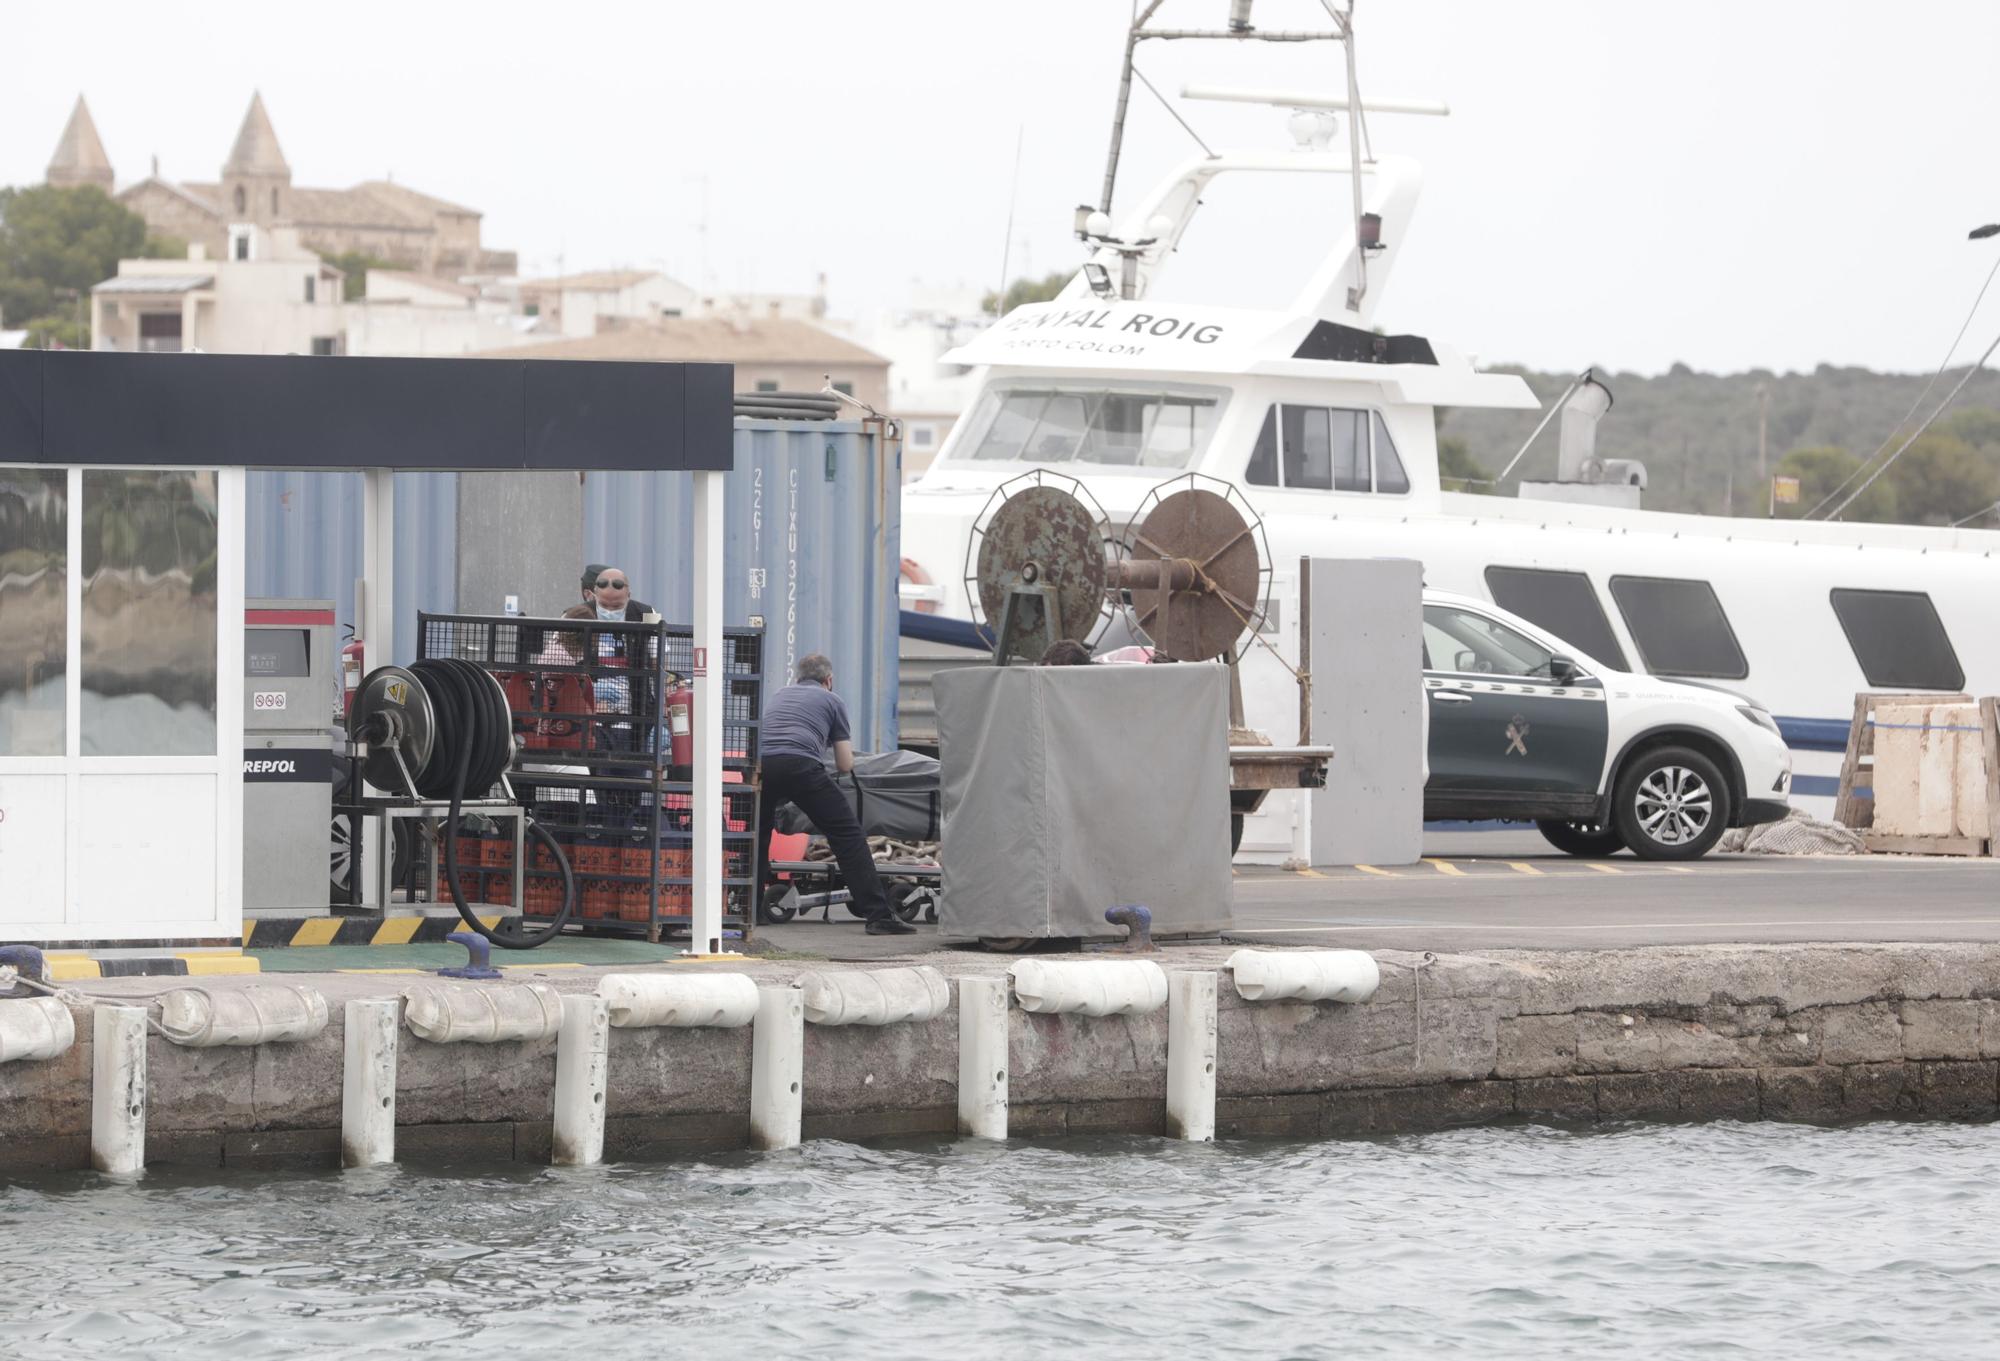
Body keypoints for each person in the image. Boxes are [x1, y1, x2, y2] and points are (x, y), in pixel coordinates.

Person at [755, 653, 912, 935]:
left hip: (762, 766)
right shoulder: (832, 700)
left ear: (797, 678)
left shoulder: (780, 694)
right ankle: (878, 916)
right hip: (802, 767)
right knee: (848, 836)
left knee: (759, 834)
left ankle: (751, 911)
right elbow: (844, 764)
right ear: (829, 680)